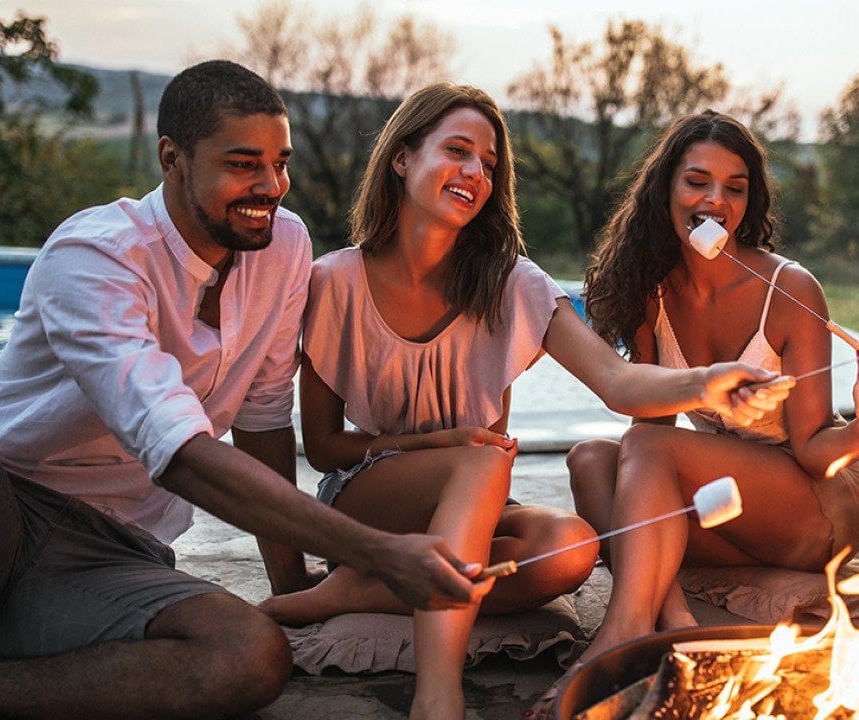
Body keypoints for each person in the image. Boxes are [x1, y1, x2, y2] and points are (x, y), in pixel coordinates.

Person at [0, 61, 493, 720]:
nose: (271, 186)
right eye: (245, 164)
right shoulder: (96, 256)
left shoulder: (283, 249)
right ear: (173, 159)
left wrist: (293, 579)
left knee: (250, 656)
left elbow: (264, 421)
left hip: (108, 555)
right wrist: (375, 550)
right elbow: (181, 452)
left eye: (281, 163)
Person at [252, 86, 792, 720]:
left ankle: (352, 591)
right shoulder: (335, 281)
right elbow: (322, 449)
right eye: (457, 150)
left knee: (572, 547)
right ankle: (437, 695)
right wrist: (435, 445)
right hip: (371, 498)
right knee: (482, 460)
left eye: (489, 163)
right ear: (401, 158)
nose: (475, 172)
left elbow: (618, 382)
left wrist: (703, 382)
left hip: (476, 508)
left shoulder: (513, 283)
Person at [545, 110, 859, 719]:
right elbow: (651, 429)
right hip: (732, 512)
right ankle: (674, 616)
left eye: (735, 187)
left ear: (748, 200)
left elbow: (816, 447)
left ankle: (624, 632)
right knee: (590, 461)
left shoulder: (792, 292)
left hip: (812, 508)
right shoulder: (650, 289)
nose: (716, 199)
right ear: (666, 190)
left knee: (644, 453)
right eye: (698, 181)